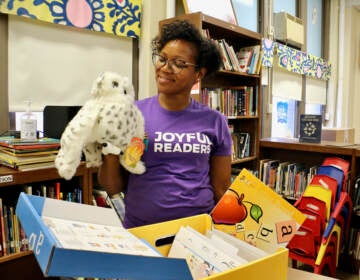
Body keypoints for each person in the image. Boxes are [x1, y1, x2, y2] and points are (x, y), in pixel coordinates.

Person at [98, 19, 232, 228]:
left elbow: (221, 189)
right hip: (142, 229)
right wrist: (109, 149)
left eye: (178, 63)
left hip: (196, 231)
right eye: (162, 58)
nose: (165, 68)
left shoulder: (215, 121)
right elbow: (113, 185)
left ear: (198, 74)